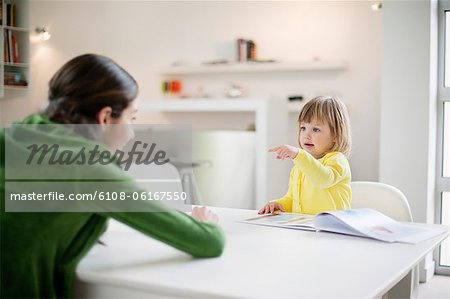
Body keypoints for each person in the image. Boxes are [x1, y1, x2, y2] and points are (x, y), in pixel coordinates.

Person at [0, 54, 224, 299]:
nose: (130, 134)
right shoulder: (89, 168)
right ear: (106, 117)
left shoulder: (17, 133)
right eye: (131, 118)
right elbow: (207, 242)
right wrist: (207, 224)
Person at [258, 96, 352, 215]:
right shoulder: (299, 166)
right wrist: (278, 204)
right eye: (303, 128)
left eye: (316, 130)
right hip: (306, 228)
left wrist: (298, 154)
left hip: (333, 230)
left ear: (335, 135)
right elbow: (292, 199)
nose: (306, 135)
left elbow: (323, 179)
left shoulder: (337, 160)